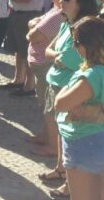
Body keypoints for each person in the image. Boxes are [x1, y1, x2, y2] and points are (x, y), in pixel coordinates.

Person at [41, 0, 98, 196]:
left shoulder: (85, 29)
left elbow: (69, 61)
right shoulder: (66, 22)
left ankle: (67, 182)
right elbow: (48, 51)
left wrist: (58, 59)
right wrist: (57, 57)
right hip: (57, 81)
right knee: (59, 127)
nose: (61, 1)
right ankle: (60, 169)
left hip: (85, 136)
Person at [53, 17, 104, 200]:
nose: (74, 47)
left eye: (76, 42)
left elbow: (61, 103)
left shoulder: (92, 74)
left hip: (86, 141)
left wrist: (68, 85)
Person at [25, 0, 75, 158]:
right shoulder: (56, 11)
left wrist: (33, 26)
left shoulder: (58, 15)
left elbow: (33, 36)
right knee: (44, 104)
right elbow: (34, 24)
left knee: (50, 108)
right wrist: (33, 24)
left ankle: (53, 147)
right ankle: (46, 137)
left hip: (46, 66)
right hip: (42, 64)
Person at [4, 0, 51, 96]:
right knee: (18, 50)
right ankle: (18, 79)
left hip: (29, 15)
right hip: (16, 13)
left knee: (28, 50)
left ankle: (29, 86)